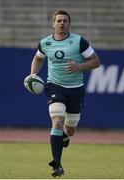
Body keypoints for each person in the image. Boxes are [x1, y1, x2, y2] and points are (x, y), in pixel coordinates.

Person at [29, 9, 100, 177]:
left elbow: (96, 61)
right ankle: (57, 165)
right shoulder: (45, 43)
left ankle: (66, 137)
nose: (62, 23)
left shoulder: (79, 41)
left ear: (69, 24)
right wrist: (33, 74)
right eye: (59, 21)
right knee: (57, 121)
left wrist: (79, 67)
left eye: (65, 21)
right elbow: (38, 58)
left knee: (70, 129)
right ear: (53, 23)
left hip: (76, 90)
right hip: (54, 87)